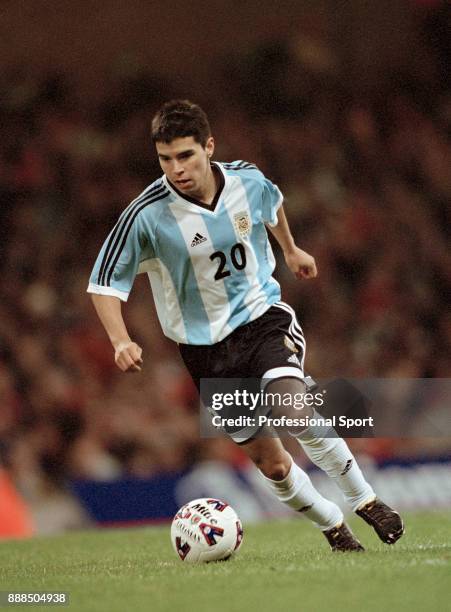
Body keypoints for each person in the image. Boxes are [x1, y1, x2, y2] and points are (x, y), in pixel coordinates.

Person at [88, 100, 404, 551]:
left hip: (260, 319)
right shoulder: (146, 216)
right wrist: (120, 340)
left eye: (185, 155)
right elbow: (103, 284)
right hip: (205, 352)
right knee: (273, 466)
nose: (176, 168)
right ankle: (333, 526)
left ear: (208, 147)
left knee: (293, 406)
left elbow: (272, 206)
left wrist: (291, 251)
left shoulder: (246, 180)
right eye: (165, 159)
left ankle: (365, 499)